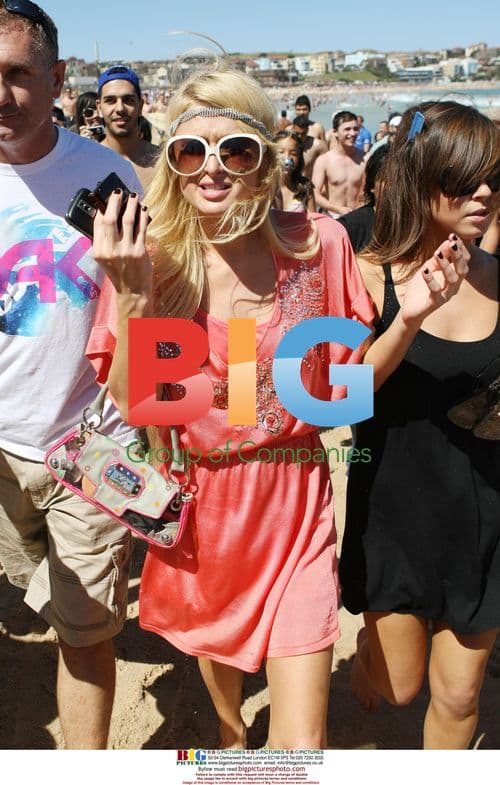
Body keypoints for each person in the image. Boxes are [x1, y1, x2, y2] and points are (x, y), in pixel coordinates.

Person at [87, 66, 374, 750]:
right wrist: (131, 295)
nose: (212, 170)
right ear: (174, 162)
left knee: (304, 747)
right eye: (192, 151)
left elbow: (349, 385)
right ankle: (231, 727)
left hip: (297, 498)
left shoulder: (320, 243)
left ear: (264, 159)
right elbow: (136, 405)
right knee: (227, 696)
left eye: (235, 151)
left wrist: (412, 320)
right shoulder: (153, 259)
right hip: (204, 507)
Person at [0, 0, 142, 748]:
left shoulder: (110, 175)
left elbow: (156, 311)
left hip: (86, 445)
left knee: (85, 636)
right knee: (30, 593)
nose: (0, 94)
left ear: (58, 79)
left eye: (18, 75)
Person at [339, 101, 500, 749]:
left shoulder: (497, 278)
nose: (485, 192)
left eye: (493, 175)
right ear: (420, 177)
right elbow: (338, 400)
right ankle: (367, 657)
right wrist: (407, 318)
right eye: (466, 178)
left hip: (487, 513)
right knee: (401, 685)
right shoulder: (363, 269)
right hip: (393, 512)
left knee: (460, 693)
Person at [97, 65, 160, 189]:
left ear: (140, 105)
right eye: (110, 100)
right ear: (99, 108)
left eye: (128, 100)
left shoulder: (162, 161)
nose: (120, 108)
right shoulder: (88, 161)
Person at [336, 144, 389, 252]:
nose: (395, 186)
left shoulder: (417, 226)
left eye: (401, 179)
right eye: (387, 179)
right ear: (372, 185)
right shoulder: (349, 227)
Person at [312, 111, 365, 218]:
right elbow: (314, 193)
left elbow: (370, 190)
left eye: (355, 129)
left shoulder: (366, 158)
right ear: (335, 132)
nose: (353, 133)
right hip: (333, 216)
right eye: (347, 129)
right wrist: (337, 209)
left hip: (359, 216)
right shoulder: (324, 161)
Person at [272, 130, 315, 212]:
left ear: (299, 158)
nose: (287, 158)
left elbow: (314, 221)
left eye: (293, 153)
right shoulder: (263, 187)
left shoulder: (305, 186)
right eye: (281, 152)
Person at [291, 113, 327, 179]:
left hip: (309, 184)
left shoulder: (319, 145)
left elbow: (327, 169)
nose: (299, 136)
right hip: (291, 185)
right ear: (292, 128)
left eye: (303, 134)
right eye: (297, 133)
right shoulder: (286, 145)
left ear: (307, 130)